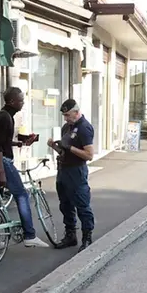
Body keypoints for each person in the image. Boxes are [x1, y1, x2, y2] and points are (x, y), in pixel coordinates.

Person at [0, 87, 49, 248]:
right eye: (21, 100)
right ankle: (29, 235)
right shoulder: (5, 118)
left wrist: (19, 143)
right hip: (1, 162)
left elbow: (0, 140)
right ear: (12, 101)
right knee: (22, 194)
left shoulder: (4, 116)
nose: (23, 103)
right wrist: (1, 171)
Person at [48, 99, 96, 251]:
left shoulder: (84, 128)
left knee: (82, 204)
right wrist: (55, 146)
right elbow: (63, 151)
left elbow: (89, 155)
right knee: (65, 204)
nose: (66, 118)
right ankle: (70, 235)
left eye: (68, 115)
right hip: (63, 170)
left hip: (76, 171)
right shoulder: (66, 128)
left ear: (76, 112)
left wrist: (70, 148)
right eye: (64, 115)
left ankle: (87, 237)